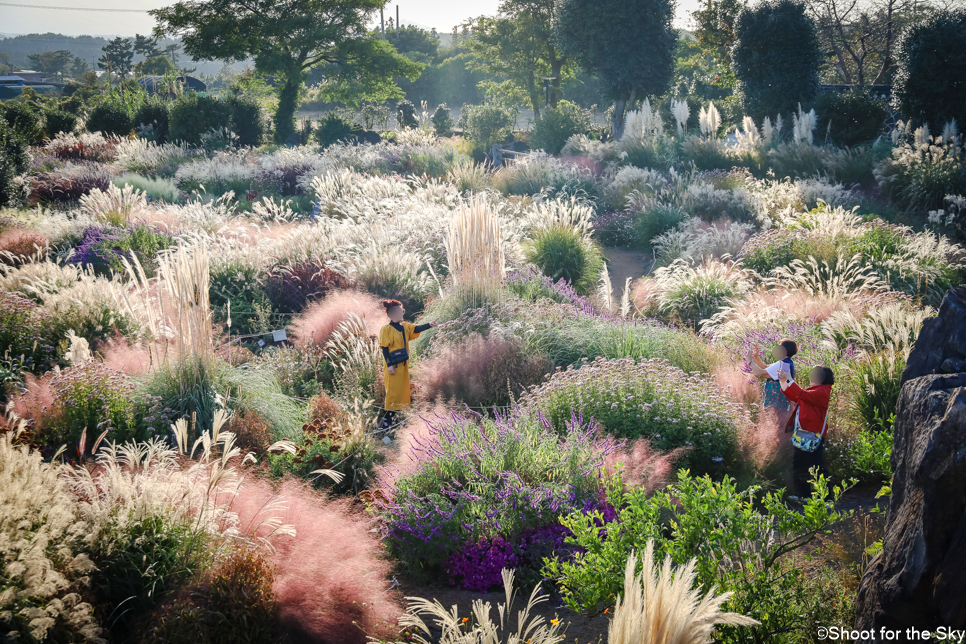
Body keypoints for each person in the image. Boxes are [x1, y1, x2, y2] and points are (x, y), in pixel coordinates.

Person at [378, 299, 437, 430]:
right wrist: (389, 366)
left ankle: (394, 422)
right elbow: (384, 349)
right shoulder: (386, 329)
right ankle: (385, 424)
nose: (401, 313)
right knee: (393, 394)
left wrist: (429, 324)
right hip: (393, 366)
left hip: (403, 366)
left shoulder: (405, 326)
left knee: (401, 393)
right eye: (398, 311)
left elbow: (416, 328)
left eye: (401, 311)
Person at [779, 365, 834, 502]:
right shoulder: (814, 390)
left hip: (814, 436)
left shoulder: (823, 391)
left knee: (818, 467)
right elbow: (795, 396)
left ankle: (827, 498)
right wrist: (783, 381)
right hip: (803, 434)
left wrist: (789, 379)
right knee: (799, 465)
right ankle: (802, 495)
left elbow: (801, 394)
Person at [746, 339, 798, 416]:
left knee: (775, 422)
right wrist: (756, 357)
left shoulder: (782, 363)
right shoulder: (787, 362)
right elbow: (765, 367)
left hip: (776, 403)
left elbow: (762, 373)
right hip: (781, 402)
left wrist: (750, 361)